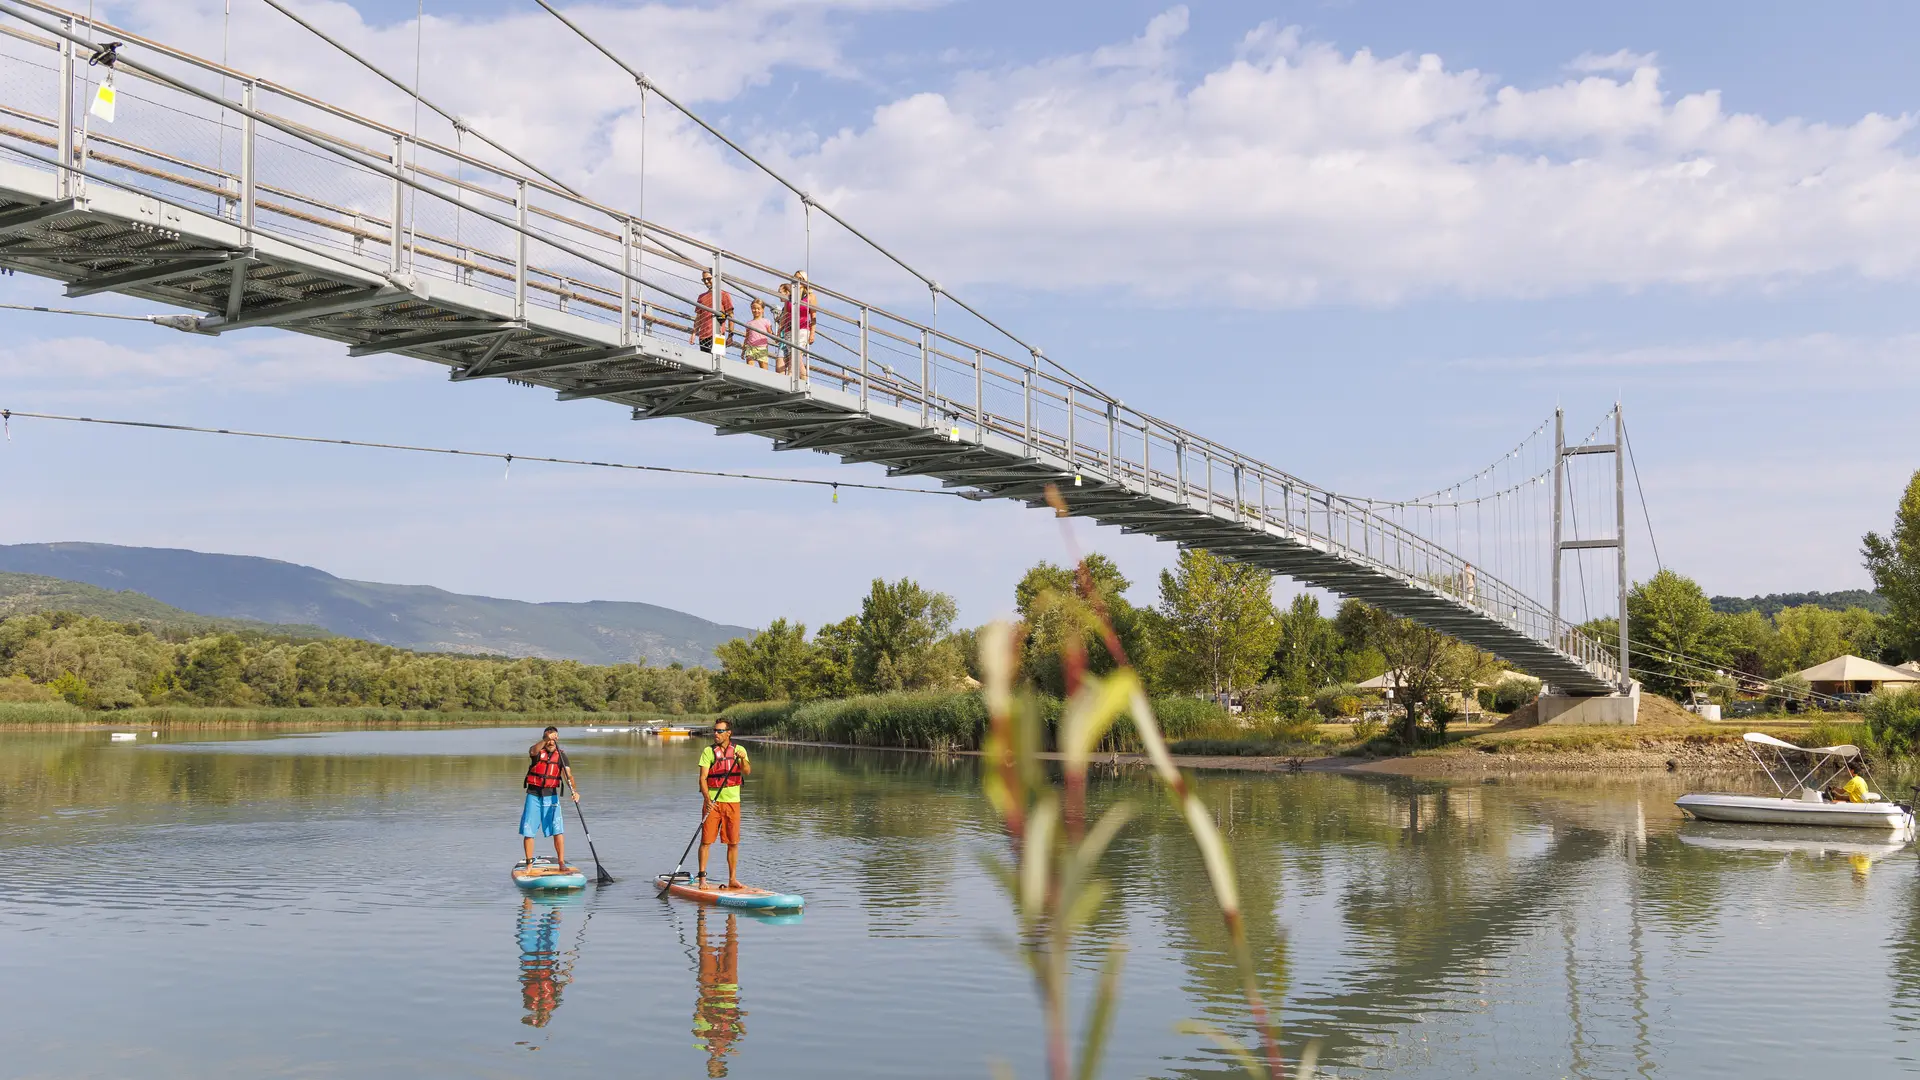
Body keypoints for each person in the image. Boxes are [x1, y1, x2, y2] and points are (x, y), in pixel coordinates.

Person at [696, 718, 751, 889]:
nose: (716, 734)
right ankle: (702, 879)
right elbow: (703, 779)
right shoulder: (708, 751)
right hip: (713, 802)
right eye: (715, 731)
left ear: (729, 733)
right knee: (706, 841)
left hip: (733, 802)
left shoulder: (739, 750)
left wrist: (742, 759)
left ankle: (732, 879)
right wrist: (707, 800)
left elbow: (747, 771)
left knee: (733, 842)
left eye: (720, 731)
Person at [521, 726, 579, 868]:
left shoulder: (561, 755)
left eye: (554, 739)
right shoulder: (537, 752)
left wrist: (574, 791)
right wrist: (547, 738)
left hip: (551, 796)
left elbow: (568, 775)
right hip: (533, 795)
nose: (551, 742)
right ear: (544, 739)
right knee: (529, 830)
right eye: (548, 739)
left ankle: (561, 862)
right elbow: (532, 751)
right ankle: (529, 864)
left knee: (557, 830)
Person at [690, 269, 734, 357]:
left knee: (719, 359)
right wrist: (694, 333)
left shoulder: (724, 295)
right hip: (703, 336)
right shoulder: (701, 297)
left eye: (709, 279)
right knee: (705, 362)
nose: (706, 281)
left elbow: (731, 315)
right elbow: (698, 317)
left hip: (718, 333)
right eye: (704, 280)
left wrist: (730, 335)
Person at [776, 278, 812, 379]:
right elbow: (786, 315)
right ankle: (794, 375)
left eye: (780, 292)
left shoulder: (799, 300)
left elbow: (811, 315)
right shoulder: (788, 302)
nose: (778, 295)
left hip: (800, 330)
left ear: (787, 292)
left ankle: (801, 378)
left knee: (796, 354)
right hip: (788, 331)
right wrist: (780, 329)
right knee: (793, 355)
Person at [741, 298, 774, 370]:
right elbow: (747, 337)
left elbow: (770, 333)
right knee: (750, 367)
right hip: (750, 347)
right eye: (754, 308)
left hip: (761, 347)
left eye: (758, 309)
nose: (756, 310)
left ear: (762, 310)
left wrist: (777, 340)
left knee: (763, 368)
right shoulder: (749, 323)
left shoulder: (766, 321)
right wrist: (743, 350)